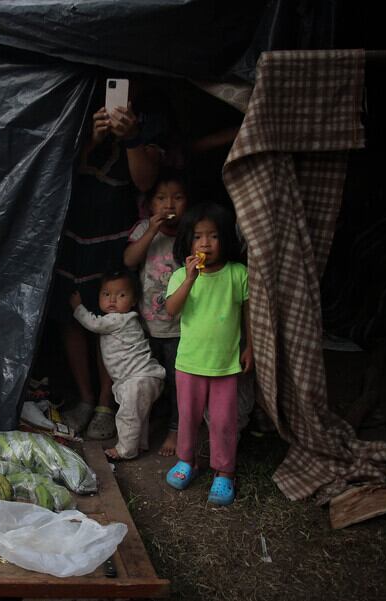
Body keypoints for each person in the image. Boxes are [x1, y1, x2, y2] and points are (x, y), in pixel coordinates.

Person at [56, 87, 171, 440]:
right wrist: (89, 139)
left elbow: (145, 181)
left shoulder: (151, 122)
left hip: (113, 237)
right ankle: (87, 398)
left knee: (112, 316)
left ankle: (107, 402)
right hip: (70, 234)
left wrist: (132, 137)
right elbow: (55, 169)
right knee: (71, 317)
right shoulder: (74, 109)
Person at [163, 203, 253, 506]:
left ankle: (224, 472)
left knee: (224, 421)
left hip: (225, 366)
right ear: (187, 242)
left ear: (225, 239)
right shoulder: (180, 276)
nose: (205, 243)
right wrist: (189, 280)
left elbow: (247, 314)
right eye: (198, 236)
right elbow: (171, 311)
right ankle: (185, 461)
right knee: (188, 417)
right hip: (189, 363)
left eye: (213, 236)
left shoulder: (238, 274)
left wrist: (249, 346)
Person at [123, 168, 189, 456]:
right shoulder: (142, 230)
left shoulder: (191, 232)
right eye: (161, 198)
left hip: (181, 327)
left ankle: (176, 428)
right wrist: (151, 230)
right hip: (148, 325)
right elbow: (129, 259)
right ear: (150, 204)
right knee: (149, 378)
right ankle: (147, 424)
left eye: (177, 197)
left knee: (178, 383)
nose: (169, 205)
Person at [69, 272, 165, 460]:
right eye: (106, 294)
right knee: (139, 414)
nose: (112, 300)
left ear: (133, 300)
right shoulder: (131, 320)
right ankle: (140, 444)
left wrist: (77, 306)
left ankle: (124, 450)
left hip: (135, 379)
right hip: (147, 377)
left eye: (121, 295)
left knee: (128, 417)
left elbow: (92, 323)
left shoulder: (118, 319)